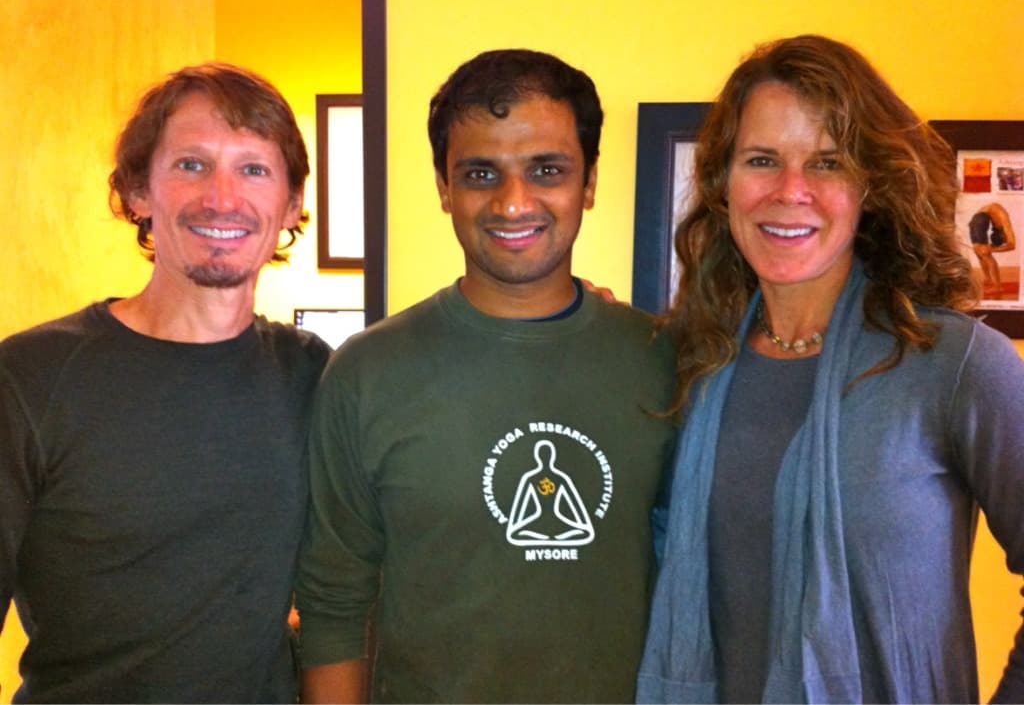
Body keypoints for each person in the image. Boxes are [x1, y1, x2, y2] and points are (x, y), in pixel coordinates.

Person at [636, 34, 1024, 704]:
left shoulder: (954, 364)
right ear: (724, 185)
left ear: (870, 185)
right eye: (762, 160)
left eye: (827, 163)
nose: (791, 192)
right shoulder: (693, 360)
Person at [295, 48, 676, 703]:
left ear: (587, 182)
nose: (513, 202)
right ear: (445, 188)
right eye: (480, 173)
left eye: (547, 170)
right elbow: (334, 605)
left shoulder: (665, 361)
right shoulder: (365, 373)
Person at [0, 63, 331, 702]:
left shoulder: (312, 375)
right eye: (191, 164)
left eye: (254, 169)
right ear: (138, 191)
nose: (223, 198)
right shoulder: (30, 379)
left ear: (291, 204)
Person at [969, 201, 1016, 299]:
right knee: (977, 250)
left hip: (979, 219)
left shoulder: (1006, 226)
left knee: (985, 253)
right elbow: (1009, 245)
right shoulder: (1000, 219)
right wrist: (991, 248)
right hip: (977, 218)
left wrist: (991, 249)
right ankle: (988, 279)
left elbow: (1012, 245)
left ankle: (997, 286)